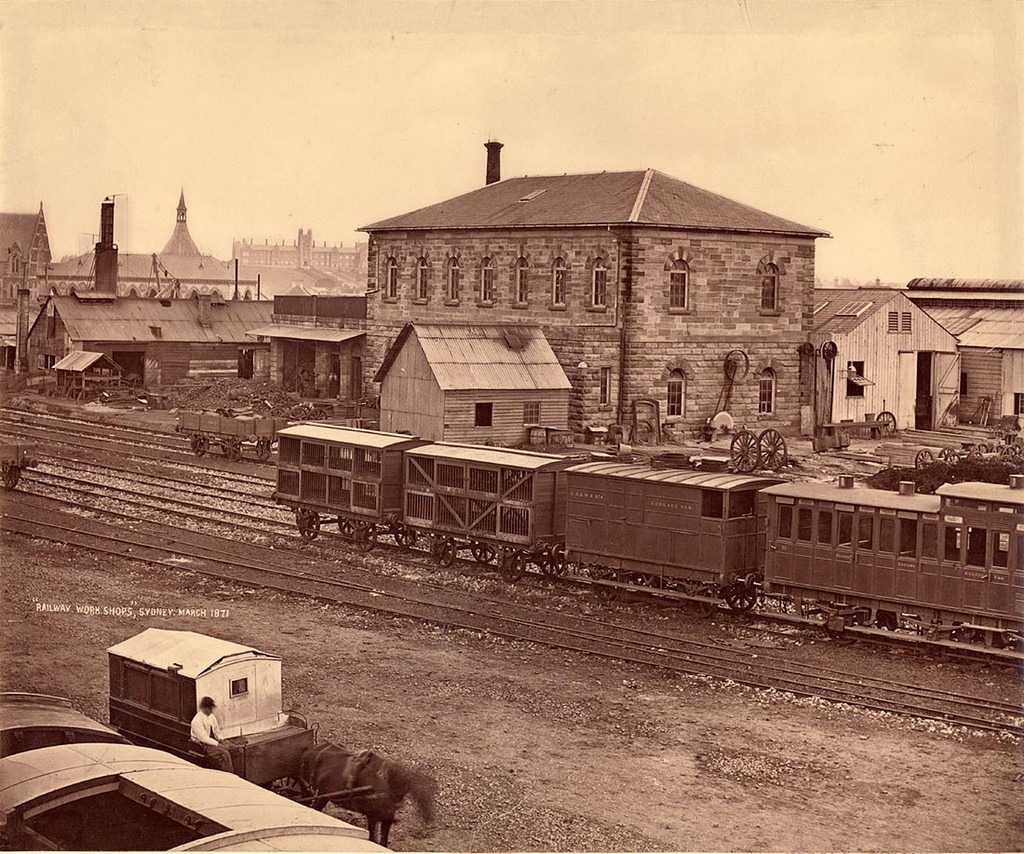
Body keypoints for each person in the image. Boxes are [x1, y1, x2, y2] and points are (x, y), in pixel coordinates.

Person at [190, 696, 234, 773]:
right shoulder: (196, 721)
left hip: (214, 741)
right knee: (225, 753)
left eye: (211, 708)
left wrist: (222, 739)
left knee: (235, 748)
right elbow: (203, 738)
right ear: (203, 707)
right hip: (204, 745)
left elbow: (217, 731)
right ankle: (230, 775)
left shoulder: (211, 717)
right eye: (209, 708)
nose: (211, 711)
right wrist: (218, 744)